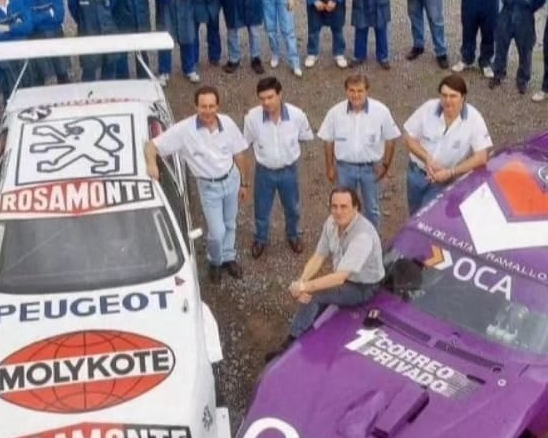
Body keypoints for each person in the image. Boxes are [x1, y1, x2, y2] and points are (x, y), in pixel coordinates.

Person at [144, 86, 250, 281]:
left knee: (230, 223)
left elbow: (239, 154)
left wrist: (244, 183)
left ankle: (228, 257)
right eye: (203, 106)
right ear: (196, 106)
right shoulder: (183, 131)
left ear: (217, 106)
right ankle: (215, 261)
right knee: (217, 231)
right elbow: (151, 146)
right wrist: (152, 164)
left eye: (211, 106)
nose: (207, 111)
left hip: (231, 179)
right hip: (209, 188)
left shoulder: (227, 123)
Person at [274, 186, 385, 354]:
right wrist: (301, 281)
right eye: (334, 206)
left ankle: (292, 341)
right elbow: (319, 256)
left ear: (355, 208)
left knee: (315, 294)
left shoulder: (362, 236)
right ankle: (307, 327)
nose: (338, 212)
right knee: (313, 291)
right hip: (345, 277)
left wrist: (305, 288)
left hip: (363, 287)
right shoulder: (331, 222)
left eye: (344, 207)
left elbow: (339, 278)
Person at [317, 73, 400, 229]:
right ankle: (345, 236)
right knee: (343, 207)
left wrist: (386, 165)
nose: (356, 95)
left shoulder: (381, 111)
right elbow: (328, 141)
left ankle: (372, 241)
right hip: (344, 169)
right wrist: (329, 167)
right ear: (346, 91)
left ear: (367, 90)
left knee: (372, 208)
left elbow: (391, 138)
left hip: (371, 169)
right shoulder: (335, 112)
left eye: (360, 90)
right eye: (352, 90)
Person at [243, 77, 314, 258]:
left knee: (292, 207)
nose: (266, 102)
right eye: (262, 98)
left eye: (270, 97)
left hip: (289, 171)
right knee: (261, 209)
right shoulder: (252, 117)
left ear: (280, 94)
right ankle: (260, 239)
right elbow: (247, 142)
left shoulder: (297, 115)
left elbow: (305, 137)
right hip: (263, 172)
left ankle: (293, 235)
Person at [404, 74, 493, 214]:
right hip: (416, 175)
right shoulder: (428, 109)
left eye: (453, 96)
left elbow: (481, 156)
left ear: (463, 97)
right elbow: (409, 138)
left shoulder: (474, 119)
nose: (447, 101)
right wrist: (427, 158)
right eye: (444, 95)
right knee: (414, 215)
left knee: (430, 218)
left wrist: (451, 172)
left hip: (444, 181)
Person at [490, 0, 545, 93]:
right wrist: (507, 1)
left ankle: (523, 80)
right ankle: (498, 74)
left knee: (525, 50)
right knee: (500, 46)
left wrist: (528, 10)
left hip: (525, 17)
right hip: (506, 13)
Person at [15, 0, 72, 84]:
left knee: (63, 74)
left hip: (55, 36)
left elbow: (59, 16)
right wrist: (48, 13)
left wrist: (36, 17)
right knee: (38, 77)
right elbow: (27, 22)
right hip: (34, 38)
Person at [68, 0, 121, 81]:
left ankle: (108, 98)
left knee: (109, 69)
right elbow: (73, 9)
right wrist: (85, 23)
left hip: (109, 34)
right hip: (87, 34)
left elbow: (113, 6)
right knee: (89, 71)